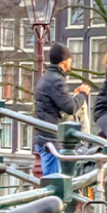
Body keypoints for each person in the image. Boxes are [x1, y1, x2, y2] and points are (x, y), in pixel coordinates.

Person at [34, 43, 92, 177]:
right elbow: (70, 108)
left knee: (54, 179)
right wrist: (83, 94)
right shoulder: (56, 80)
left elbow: (59, 103)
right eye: (70, 58)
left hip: (44, 137)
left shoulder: (49, 77)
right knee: (56, 182)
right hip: (51, 140)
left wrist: (75, 97)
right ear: (64, 61)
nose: (71, 61)